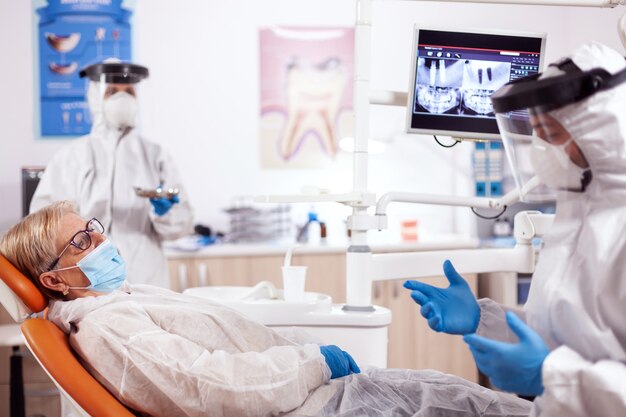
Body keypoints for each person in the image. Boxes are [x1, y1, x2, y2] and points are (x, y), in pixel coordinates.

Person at [0, 201, 531, 417]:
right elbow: (210, 386)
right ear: (52, 280)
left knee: (459, 394)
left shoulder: (120, 301)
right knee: (471, 407)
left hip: (323, 395)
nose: (100, 240)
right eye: (82, 242)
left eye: (94, 228)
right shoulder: (109, 327)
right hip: (317, 404)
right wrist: (313, 360)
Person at [404, 41, 626, 417]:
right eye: (536, 134)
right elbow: (567, 338)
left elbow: (560, 367)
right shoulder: (577, 219)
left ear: (602, 131)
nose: (541, 150)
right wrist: (484, 319)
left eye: (552, 134)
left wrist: (549, 375)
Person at [30, 61, 193, 288]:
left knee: (147, 322)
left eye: (129, 92)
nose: (122, 99)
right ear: (96, 98)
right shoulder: (69, 157)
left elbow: (181, 226)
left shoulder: (155, 155)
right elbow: (42, 224)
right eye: (112, 91)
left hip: (146, 275)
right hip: (87, 277)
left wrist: (166, 213)